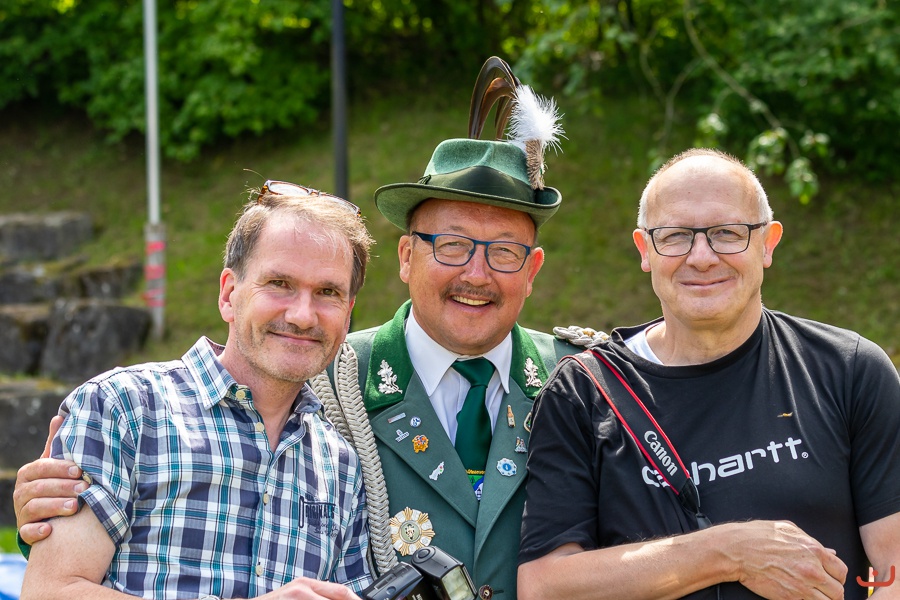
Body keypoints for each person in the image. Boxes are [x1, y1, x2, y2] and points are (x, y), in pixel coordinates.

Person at [14, 57, 588, 600]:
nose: (302, 315)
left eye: (504, 251)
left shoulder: (581, 384)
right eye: (453, 245)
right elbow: (56, 583)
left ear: (533, 269)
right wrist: (56, 515)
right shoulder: (318, 386)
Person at [517, 148, 900, 600]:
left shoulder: (849, 370)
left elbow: (893, 567)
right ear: (645, 250)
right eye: (676, 236)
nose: (701, 257)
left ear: (768, 243)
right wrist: (727, 552)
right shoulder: (583, 392)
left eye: (727, 233)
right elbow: (544, 587)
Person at [18, 182, 375, 600]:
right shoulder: (123, 408)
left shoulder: (340, 464)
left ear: (348, 314)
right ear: (229, 294)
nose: (302, 315)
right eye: (279, 283)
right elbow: (50, 592)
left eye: (328, 292)